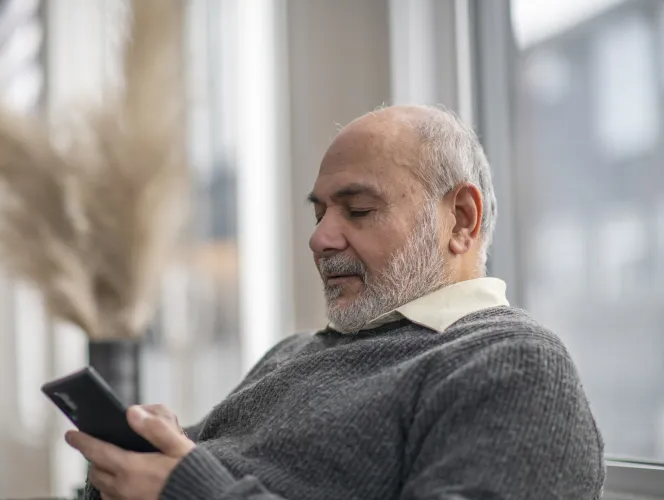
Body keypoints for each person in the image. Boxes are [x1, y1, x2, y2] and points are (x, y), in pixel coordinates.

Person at [67, 105, 605, 500]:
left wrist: (190, 491)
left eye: (359, 210)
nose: (320, 239)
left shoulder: (513, 365)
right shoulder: (294, 351)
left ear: (461, 219)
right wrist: (137, 461)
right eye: (319, 212)